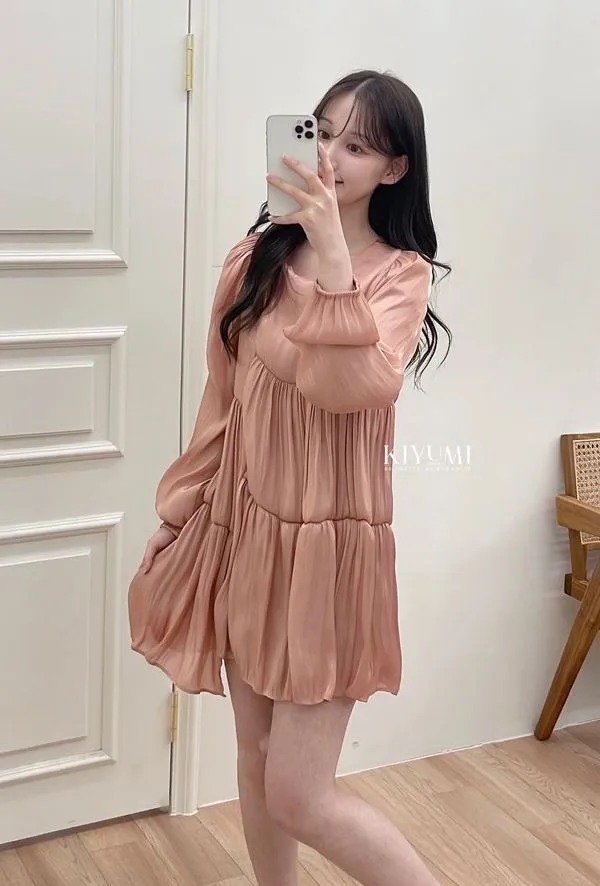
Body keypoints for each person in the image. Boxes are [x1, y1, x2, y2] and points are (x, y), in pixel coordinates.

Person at [128, 69, 451, 886]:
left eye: (359, 146)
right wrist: (179, 512)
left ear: (395, 168)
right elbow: (222, 397)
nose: (332, 155)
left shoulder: (400, 276)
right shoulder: (255, 259)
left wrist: (334, 254)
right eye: (324, 132)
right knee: (255, 755)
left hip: (330, 553)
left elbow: (345, 389)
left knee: (301, 795)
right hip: (246, 532)